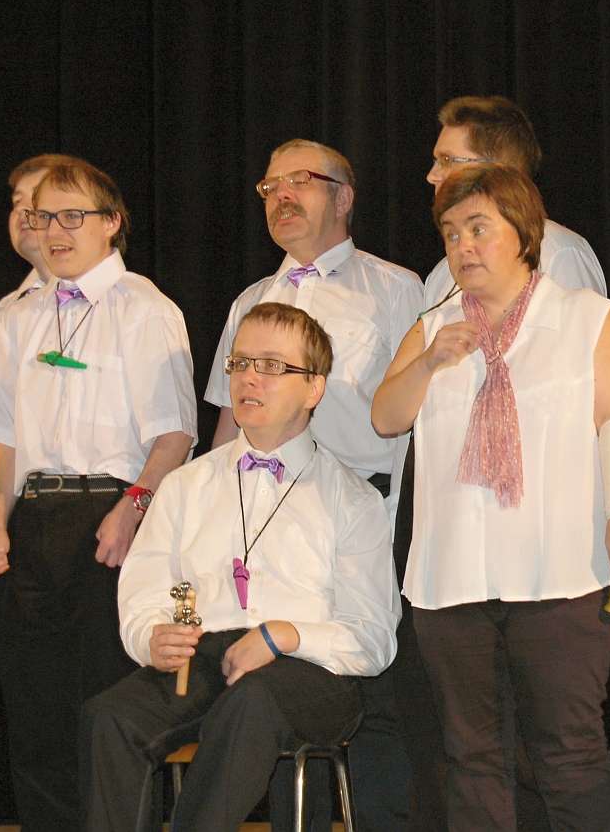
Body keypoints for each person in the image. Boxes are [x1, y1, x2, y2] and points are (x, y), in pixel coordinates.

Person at [372, 164, 610, 832]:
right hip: (453, 577)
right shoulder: (433, 327)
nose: (462, 246)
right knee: (472, 756)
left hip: (560, 573)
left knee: (568, 750)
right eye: (450, 233)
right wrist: (430, 361)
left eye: (478, 228)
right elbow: (385, 417)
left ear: (523, 231)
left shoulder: (586, 317)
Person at [81, 302, 400, 831]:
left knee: (251, 703)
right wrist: (150, 634)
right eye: (241, 362)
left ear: (314, 388)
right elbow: (146, 583)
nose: (249, 377)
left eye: (271, 365)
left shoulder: (351, 498)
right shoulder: (186, 485)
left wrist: (283, 635)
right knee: (109, 717)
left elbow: (374, 639)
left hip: (313, 671)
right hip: (208, 656)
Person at [203, 138, 422, 830]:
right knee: (278, 687)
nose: (282, 196)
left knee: (377, 700)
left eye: (299, 181)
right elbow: (228, 425)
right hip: (268, 520)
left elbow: (421, 412)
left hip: (368, 512)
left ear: (344, 196)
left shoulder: (397, 288)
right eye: (269, 187)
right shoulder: (251, 300)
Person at [0, 157, 197, 832]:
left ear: (112, 223)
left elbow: (175, 434)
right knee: (35, 720)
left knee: (102, 715)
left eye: (73, 215)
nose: (55, 230)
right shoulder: (18, 315)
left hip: (110, 518)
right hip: (32, 521)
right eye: (44, 216)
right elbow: (6, 438)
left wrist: (132, 507)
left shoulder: (144, 308)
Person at [0, 154, 71, 609]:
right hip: (11, 514)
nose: (26, 213)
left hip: (91, 513)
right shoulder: (8, 311)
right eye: (18, 202)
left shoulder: (129, 304)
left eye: (40, 200)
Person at [422, 95, 606, 306]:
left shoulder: (557, 253)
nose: (431, 176)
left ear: (495, 167)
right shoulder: (441, 276)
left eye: (447, 160)